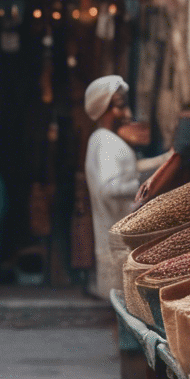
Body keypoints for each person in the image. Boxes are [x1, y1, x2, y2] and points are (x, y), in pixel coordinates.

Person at [83, 75, 140, 300]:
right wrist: (145, 186)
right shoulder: (105, 141)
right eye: (119, 106)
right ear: (104, 108)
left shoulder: (103, 140)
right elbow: (109, 188)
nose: (127, 114)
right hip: (117, 241)